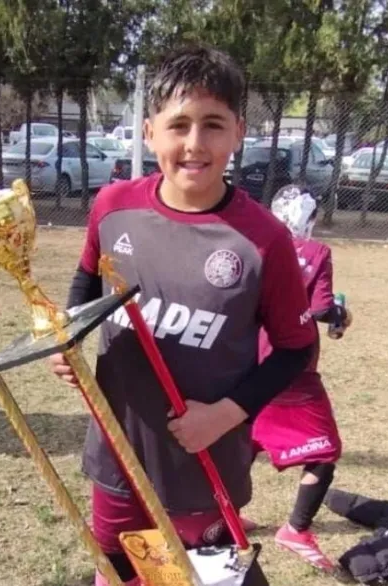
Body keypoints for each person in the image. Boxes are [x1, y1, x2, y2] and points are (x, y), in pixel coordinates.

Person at [48, 45, 318, 586]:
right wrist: (69, 334)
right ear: (149, 132)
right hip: (118, 450)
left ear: (238, 132)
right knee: (120, 569)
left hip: (202, 464)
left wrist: (224, 414)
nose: (195, 144)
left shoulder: (263, 239)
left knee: (188, 577)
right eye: (179, 125)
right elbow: (86, 279)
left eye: (213, 125)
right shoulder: (113, 206)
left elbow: (297, 349)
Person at [238, 184, 352, 573]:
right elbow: (321, 309)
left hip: (245, 360)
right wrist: (340, 315)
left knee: (246, 438)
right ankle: (296, 530)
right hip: (291, 367)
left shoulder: (252, 245)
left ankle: (227, 514)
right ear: (310, 219)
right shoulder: (317, 252)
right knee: (325, 452)